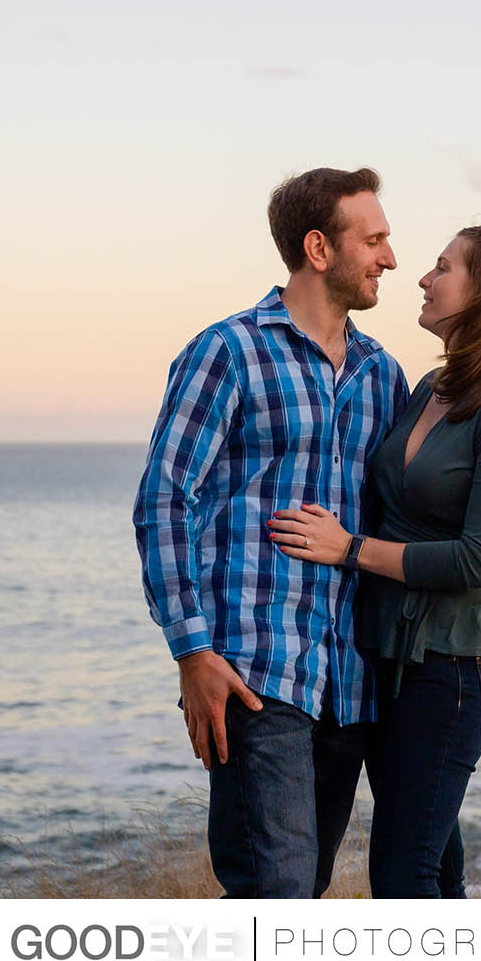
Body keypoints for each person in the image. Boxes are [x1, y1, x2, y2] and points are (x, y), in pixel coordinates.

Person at [133, 165, 407, 899]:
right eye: (374, 240)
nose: (390, 258)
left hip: (348, 683)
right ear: (319, 248)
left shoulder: (385, 375)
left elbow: (402, 507)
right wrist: (192, 650)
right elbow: (164, 500)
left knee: (295, 894)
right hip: (256, 676)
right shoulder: (227, 351)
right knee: (277, 892)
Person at [269, 223, 481, 898]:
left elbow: (473, 561)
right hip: (387, 661)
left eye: (443, 267)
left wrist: (351, 550)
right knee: (433, 866)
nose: (422, 278)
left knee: (403, 872)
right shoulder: (428, 386)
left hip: (454, 670)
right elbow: (398, 504)